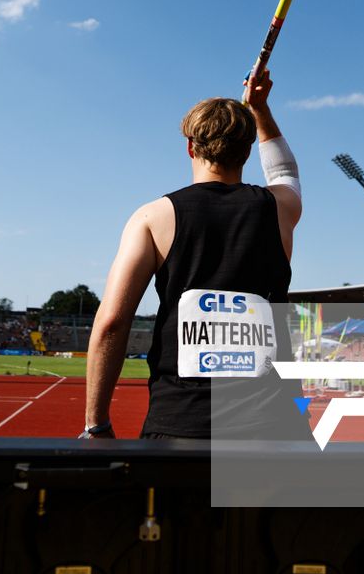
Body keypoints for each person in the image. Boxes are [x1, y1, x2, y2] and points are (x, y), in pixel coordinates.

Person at [83, 70, 304, 441]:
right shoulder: (278, 209)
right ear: (248, 150)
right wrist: (260, 109)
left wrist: (96, 423)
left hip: (182, 423)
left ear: (190, 146)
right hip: (273, 425)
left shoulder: (152, 217)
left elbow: (111, 323)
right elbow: (284, 170)